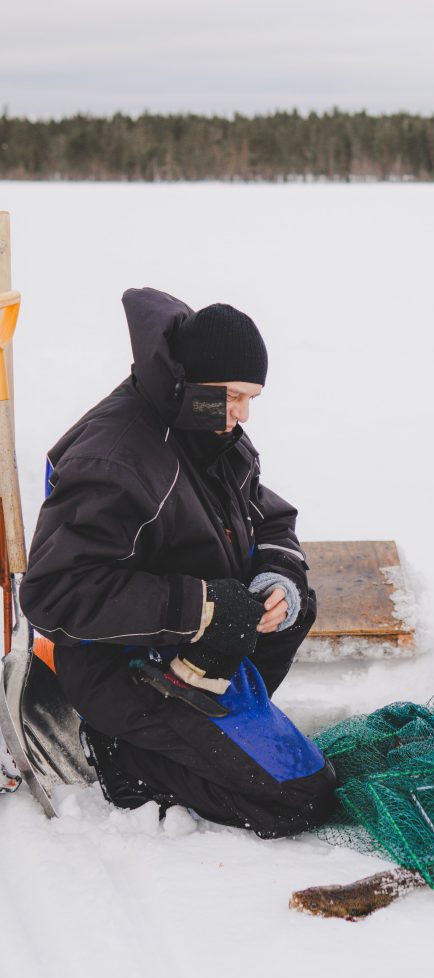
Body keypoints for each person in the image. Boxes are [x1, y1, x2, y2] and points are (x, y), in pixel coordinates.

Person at [19, 287, 336, 837]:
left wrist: (275, 577)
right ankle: (121, 753)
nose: (241, 415)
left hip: (196, 646)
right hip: (119, 666)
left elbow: (271, 517)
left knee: (295, 602)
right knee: (300, 799)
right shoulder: (116, 458)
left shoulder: (209, 428)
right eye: (233, 396)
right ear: (194, 383)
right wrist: (206, 607)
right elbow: (53, 596)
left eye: (251, 399)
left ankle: (213, 732)